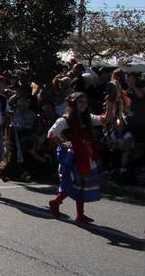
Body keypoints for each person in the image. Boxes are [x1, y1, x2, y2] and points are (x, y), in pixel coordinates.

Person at [48, 92, 112, 222]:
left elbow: (105, 119)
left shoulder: (87, 117)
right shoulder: (65, 120)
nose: (84, 105)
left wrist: (110, 103)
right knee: (73, 183)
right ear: (73, 103)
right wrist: (64, 144)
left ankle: (80, 214)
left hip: (85, 155)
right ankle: (55, 202)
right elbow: (51, 134)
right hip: (72, 157)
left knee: (83, 184)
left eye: (85, 102)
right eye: (81, 102)